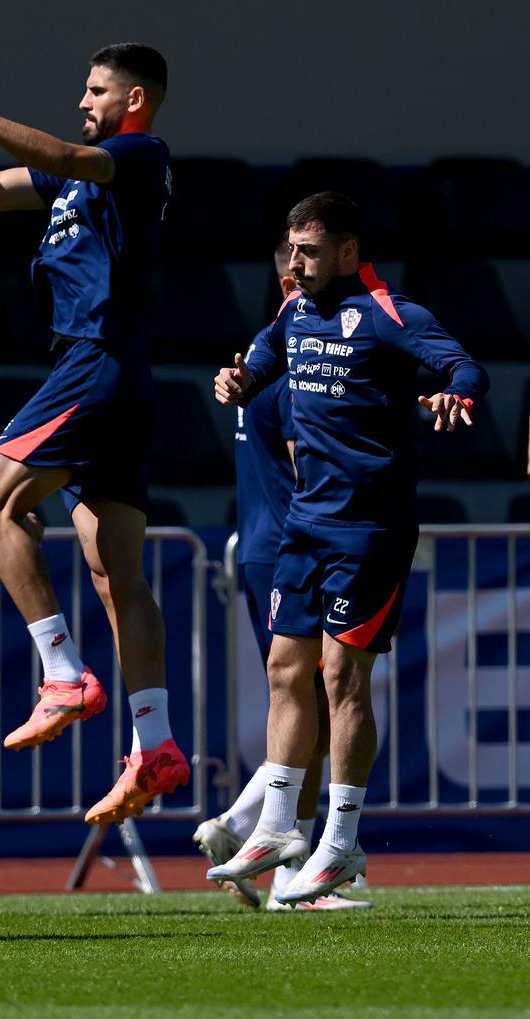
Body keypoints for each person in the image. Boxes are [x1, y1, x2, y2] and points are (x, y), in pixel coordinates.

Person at [0, 43, 189, 824]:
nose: (82, 97)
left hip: (94, 363)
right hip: (117, 376)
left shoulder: (137, 153)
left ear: (133, 100)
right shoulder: (77, 174)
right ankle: (154, 743)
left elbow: (62, 152)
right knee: (114, 570)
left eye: (95, 89)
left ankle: (62, 673)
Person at [210, 193, 488, 904]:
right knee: (283, 667)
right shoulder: (293, 313)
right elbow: (258, 366)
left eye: (307, 250)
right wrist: (236, 380)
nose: (295, 263)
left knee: (342, 678)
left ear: (345, 251)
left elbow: (466, 367)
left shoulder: (390, 314)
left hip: (370, 526)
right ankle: (277, 825)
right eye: (291, 249)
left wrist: (456, 392)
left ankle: (340, 840)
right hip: (305, 521)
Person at [193, 236, 370, 913]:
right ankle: (286, 871)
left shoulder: (258, 360)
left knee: (314, 711)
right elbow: (311, 465)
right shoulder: (298, 363)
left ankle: (248, 834)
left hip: (267, 544)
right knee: (319, 708)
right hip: (299, 544)